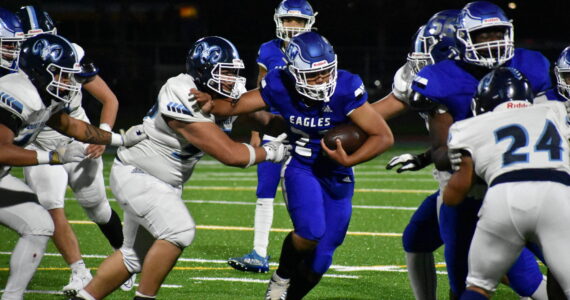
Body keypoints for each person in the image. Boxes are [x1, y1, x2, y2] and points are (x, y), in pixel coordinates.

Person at [70, 36, 290, 300]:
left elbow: (267, 121)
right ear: (203, 70)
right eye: (226, 72)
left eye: (234, 73)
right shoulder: (181, 91)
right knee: (179, 231)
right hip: (138, 174)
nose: (232, 79)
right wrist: (273, 151)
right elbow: (231, 155)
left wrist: (301, 125)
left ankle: (84, 297)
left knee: (132, 258)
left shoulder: (221, 95)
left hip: (165, 182)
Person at [194, 31, 394, 300]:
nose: (322, 80)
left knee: (323, 258)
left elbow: (383, 136)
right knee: (311, 231)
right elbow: (237, 106)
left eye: (325, 72)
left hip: (338, 173)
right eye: (313, 75)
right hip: (302, 166)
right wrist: (213, 104)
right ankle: (280, 279)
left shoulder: (345, 88)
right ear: (294, 72)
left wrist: (350, 160)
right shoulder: (280, 83)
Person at [410, 1, 551, 299]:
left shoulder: (532, 66)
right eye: (483, 35)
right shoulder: (441, 78)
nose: (493, 41)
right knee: (462, 282)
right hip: (470, 189)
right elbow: (440, 150)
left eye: (498, 32)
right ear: (463, 38)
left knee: (542, 272)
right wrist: (454, 158)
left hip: (524, 185)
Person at [0, 33, 145, 300]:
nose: (69, 83)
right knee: (48, 212)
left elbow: (71, 126)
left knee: (41, 223)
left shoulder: (42, 91)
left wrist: (119, 139)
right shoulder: (15, 92)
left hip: (10, 173)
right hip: (32, 156)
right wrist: (54, 157)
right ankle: (78, 271)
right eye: (63, 75)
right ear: (40, 70)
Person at [443, 67, 570, 300]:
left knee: (479, 286)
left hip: (504, 197)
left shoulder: (468, 128)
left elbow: (454, 195)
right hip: (557, 195)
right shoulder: (556, 110)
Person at [372, 10, 459, 300]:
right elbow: (380, 111)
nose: (420, 65)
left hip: (478, 184)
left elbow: (464, 144)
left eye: (429, 55)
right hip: (456, 175)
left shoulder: (473, 87)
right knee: (418, 238)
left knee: (482, 272)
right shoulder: (430, 79)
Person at [228, 0, 317, 274]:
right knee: (265, 189)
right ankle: (259, 252)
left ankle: (308, 248)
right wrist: (256, 131)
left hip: (306, 128)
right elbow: (259, 92)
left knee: (305, 191)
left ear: (309, 22)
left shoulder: (316, 47)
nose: (292, 26)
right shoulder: (268, 49)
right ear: (279, 20)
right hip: (275, 127)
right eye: (288, 20)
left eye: (298, 21)